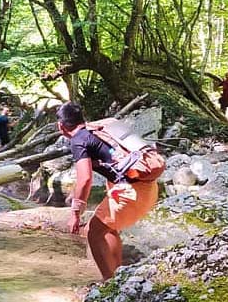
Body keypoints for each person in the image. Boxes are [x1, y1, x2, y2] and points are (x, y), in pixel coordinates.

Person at [58, 102, 159, 280]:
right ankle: (118, 276)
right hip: (149, 186)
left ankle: (109, 284)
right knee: (109, 228)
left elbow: (85, 179)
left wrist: (75, 213)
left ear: (61, 126)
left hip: (130, 193)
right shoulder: (99, 128)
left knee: (93, 233)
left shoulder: (78, 140)